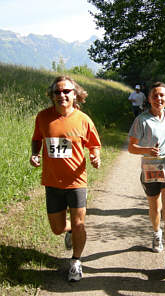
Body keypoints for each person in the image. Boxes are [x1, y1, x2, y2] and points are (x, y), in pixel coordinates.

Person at [30, 76, 101, 282]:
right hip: (52, 182)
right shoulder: (43, 117)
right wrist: (35, 154)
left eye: (66, 91)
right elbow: (36, 139)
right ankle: (69, 231)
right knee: (57, 229)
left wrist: (95, 156)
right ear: (51, 95)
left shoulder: (83, 120)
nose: (62, 95)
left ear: (75, 94)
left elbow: (94, 144)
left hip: (77, 181)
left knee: (79, 223)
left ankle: (76, 262)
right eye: (57, 92)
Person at [128, 82, 165, 272]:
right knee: (155, 207)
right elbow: (131, 147)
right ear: (149, 99)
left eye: (162, 95)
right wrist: (147, 150)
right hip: (150, 168)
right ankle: (156, 233)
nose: (159, 99)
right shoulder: (141, 120)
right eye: (155, 96)